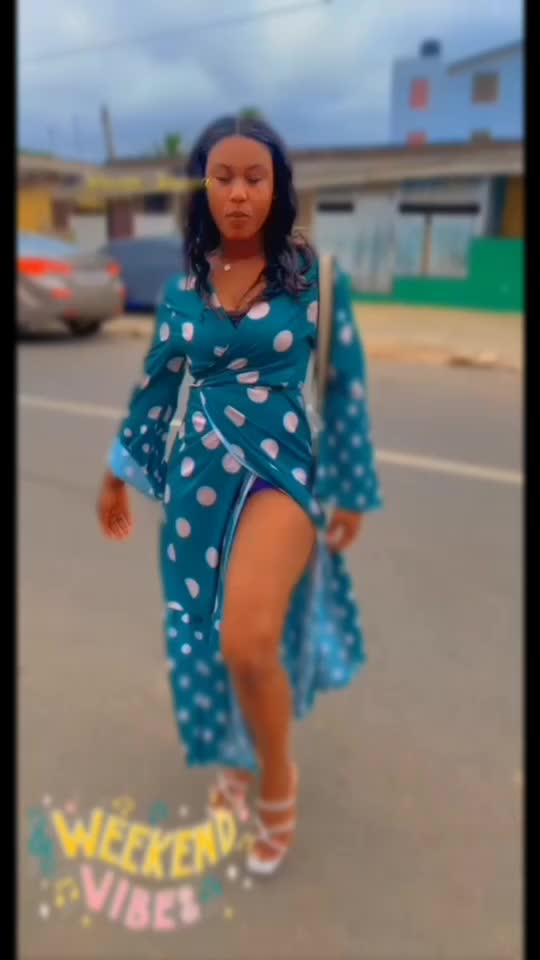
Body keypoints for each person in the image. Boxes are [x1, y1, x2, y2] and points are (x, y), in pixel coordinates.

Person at [97, 114, 382, 876]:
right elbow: (158, 387)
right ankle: (233, 756)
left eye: (255, 177)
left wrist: (352, 488)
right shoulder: (184, 291)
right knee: (211, 636)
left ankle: (278, 777)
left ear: (277, 188)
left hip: (280, 472)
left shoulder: (312, 279)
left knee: (248, 640)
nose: (238, 192)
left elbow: (346, 382)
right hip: (198, 482)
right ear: (203, 189)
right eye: (222, 177)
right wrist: (117, 474)